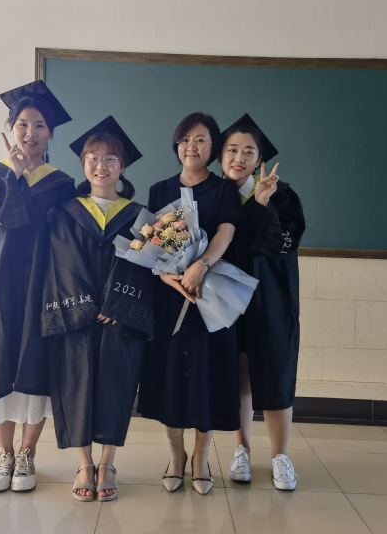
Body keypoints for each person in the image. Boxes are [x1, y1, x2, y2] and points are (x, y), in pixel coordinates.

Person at [0, 80, 75, 492]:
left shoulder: (61, 183)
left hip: (43, 283)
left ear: (50, 133)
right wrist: (11, 176)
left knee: (37, 361)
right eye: (23, 124)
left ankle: (28, 454)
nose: (30, 133)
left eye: (40, 125)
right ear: (11, 128)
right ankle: (4, 454)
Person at [40, 116, 153, 502]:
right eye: (93, 157)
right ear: (83, 163)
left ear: (122, 166)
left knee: (116, 385)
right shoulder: (65, 211)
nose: (101, 165)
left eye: (110, 158)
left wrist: (117, 304)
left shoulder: (139, 216)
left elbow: (143, 267)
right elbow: (60, 262)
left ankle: (107, 463)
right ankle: (84, 463)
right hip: (76, 315)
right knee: (75, 385)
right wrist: (87, 305)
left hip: (120, 317)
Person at [137, 112, 244, 495]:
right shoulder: (159, 189)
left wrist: (201, 265)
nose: (191, 147)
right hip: (169, 300)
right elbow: (151, 243)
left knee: (205, 376)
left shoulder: (223, 190)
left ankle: (201, 456)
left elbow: (226, 232)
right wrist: (164, 274)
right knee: (169, 379)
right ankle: (176, 454)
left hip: (209, 298)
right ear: (176, 145)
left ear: (212, 147)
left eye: (200, 140)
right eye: (185, 140)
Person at [219, 113, 305, 490]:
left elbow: (281, 247)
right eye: (231, 150)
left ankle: (280, 456)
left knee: (275, 374)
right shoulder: (212, 195)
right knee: (239, 376)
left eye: (248, 152)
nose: (239, 157)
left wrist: (264, 204)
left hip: (270, 299)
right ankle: (241, 449)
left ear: (259, 160)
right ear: (220, 156)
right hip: (225, 301)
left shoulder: (281, 193)